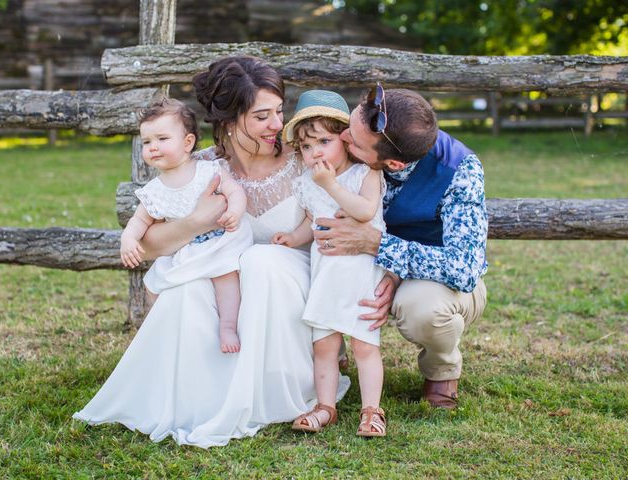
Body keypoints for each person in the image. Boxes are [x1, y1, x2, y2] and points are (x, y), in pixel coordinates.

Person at [73, 57, 350, 448]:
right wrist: (196, 222)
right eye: (262, 116)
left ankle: (277, 384)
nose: (277, 125)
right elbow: (151, 244)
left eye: (279, 112)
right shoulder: (199, 168)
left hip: (288, 282)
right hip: (227, 285)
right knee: (187, 287)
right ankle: (198, 396)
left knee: (259, 261)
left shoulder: (303, 158)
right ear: (230, 122)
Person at [313, 83, 488, 409]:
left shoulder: (458, 169)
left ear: (392, 163)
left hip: (435, 281)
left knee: (422, 307)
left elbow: (463, 269)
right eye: (349, 127)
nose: (343, 139)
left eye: (354, 140)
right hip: (363, 263)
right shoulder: (344, 153)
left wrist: (381, 249)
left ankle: (441, 369)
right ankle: (325, 353)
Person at [272, 90, 387, 437]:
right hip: (326, 275)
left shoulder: (364, 173)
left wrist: (331, 184)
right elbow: (314, 220)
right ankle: (325, 406)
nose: (315, 152)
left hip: (360, 274)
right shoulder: (307, 183)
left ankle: (371, 410)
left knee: (364, 344)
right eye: (306, 147)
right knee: (324, 344)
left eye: (324, 141)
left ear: (345, 139)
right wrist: (294, 237)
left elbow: (365, 212)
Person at [120, 98, 251, 353]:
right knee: (153, 281)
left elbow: (236, 191)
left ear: (188, 142)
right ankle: (159, 328)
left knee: (226, 277)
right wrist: (128, 239)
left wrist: (234, 211)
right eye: (147, 142)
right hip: (185, 249)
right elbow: (139, 220)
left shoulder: (207, 170)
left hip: (217, 241)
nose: (153, 147)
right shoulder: (153, 190)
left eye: (162, 139)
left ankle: (227, 326)